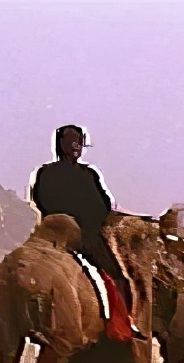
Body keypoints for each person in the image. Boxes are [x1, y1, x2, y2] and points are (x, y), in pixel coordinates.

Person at [28, 124, 144, 340]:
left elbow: (39, 201)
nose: (76, 146)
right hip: (83, 238)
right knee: (119, 277)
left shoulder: (44, 173)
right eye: (73, 142)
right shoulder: (88, 174)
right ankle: (122, 325)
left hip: (49, 236)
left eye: (79, 142)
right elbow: (103, 207)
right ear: (61, 145)